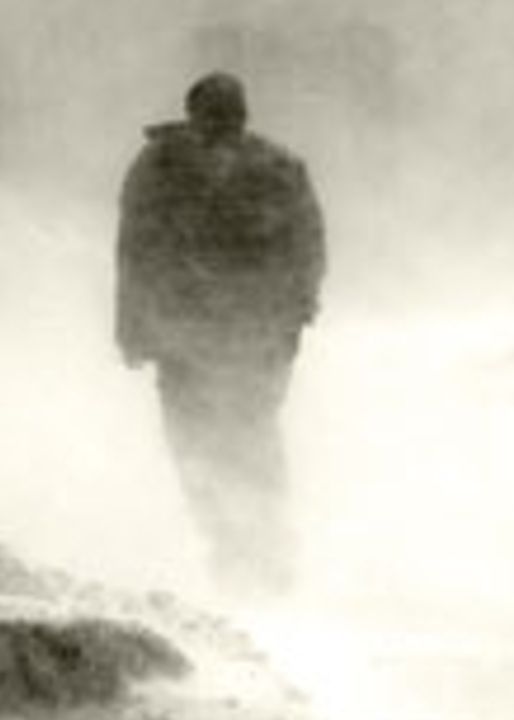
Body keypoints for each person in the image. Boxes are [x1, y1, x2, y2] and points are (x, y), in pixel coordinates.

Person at [115, 71, 326, 597]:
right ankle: (246, 555)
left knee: (223, 440)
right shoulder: (267, 167)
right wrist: (295, 317)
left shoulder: (165, 165)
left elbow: (134, 249)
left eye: (225, 118)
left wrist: (295, 316)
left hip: (223, 335)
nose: (220, 129)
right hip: (212, 335)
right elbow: (136, 248)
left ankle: (255, 555)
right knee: (231, 440)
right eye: (216, 117)